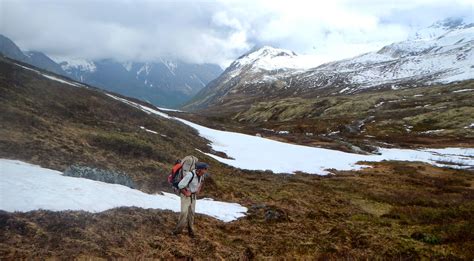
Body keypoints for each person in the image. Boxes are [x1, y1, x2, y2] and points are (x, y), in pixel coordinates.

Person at [172, 162, 209, 238]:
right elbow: (180, 185)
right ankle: (177, 232)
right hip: (186, 196)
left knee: (191, 214)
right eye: (205, 169)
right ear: (199, 169)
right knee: (184, 212)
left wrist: (198, 189)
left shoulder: (202, 175)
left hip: (193, 196)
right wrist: (185, 192)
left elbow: (201, 182)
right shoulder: (190, 175)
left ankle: (191, 232)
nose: (206, 170)